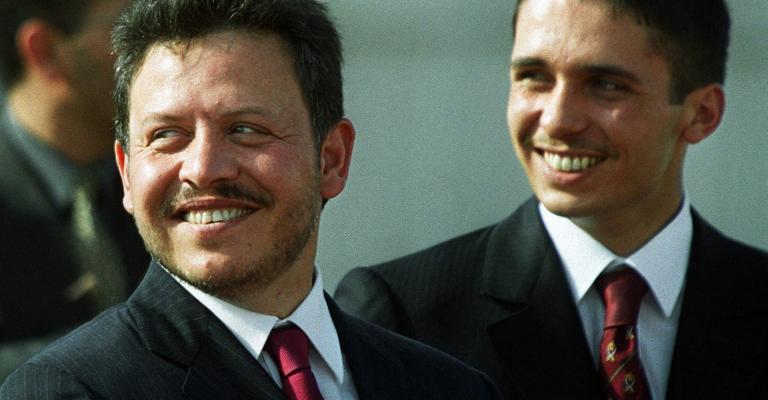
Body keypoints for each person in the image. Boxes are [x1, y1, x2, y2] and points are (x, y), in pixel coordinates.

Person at [0, 0, 509, 398]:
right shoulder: (71, 389)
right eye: (167, 136)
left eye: (245, 129)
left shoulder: (449, 388)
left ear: (331, 159)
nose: (203, 169)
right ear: (127, 173)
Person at [335, 0, 768, 399]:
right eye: (533, 77)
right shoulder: (403, 315)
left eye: (605, 85)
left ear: (702, 113)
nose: (558, 120)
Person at [0, 0, 148, 380]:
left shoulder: (164, 171)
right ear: (45, 51)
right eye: (127, 24)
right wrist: (127, 346)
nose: (157, 44)